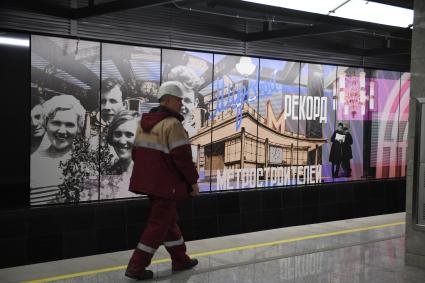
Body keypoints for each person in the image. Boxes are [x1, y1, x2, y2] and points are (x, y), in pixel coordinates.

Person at [126, 81, 200, 280]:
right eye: (178, 100)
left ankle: (180, 259)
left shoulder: (144, 123)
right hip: (167, 186)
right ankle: (136, 266)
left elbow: (135, 154)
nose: (181, 104)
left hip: (149, 184)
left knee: (168, 222)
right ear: (166, 100)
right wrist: (193, 182)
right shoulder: (172, 124)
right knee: (158, 224)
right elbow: (183, 158)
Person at [30, 95, 86, 205]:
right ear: (46, 123)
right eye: (56, 123)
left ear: (79, 128)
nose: (61, 131)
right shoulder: (33, 163)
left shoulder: (87, 162)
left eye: (69, 124)